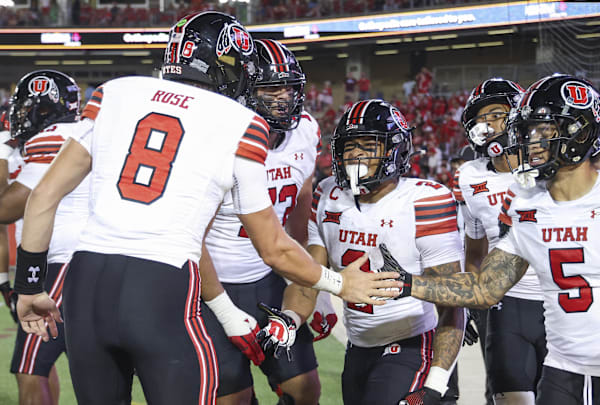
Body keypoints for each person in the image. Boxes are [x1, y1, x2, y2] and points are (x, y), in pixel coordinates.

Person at [14, 12, 400, 405]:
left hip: (86, 280)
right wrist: (337, 284)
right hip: (164, 282)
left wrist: (29, 285)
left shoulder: (115, 92)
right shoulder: (238, 122)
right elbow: (274, 247)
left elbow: (43, 196)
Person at [386, 74, 600, 405]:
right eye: (528, 131)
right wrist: (408, 284)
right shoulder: (524, 202)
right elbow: (484, 288)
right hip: (561, 373)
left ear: (581, 132)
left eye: (544, 131)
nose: (530, 142)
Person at [260, 99, 465, 405]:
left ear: (394, 150)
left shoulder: (425, 202)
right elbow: (310, 277)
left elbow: (452, 300)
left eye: (369, 145)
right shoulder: (328, 193)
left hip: (410, 344)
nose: (355, 154)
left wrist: (437, 382)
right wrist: (289, 318)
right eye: (349, 146)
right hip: (359, 348)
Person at [201, 38, 322, 405]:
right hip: (214, 284)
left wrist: (306, 287)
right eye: (271, 88)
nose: (284, 97)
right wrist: (221, 308)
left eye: (289, 86)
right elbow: (192, 237)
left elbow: (300, 209)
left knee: (305, 388)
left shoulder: (306, 130)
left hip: (268, 277)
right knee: (232, 399)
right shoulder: (216, 140)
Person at [454, 78, 546, 405]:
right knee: (503, 395)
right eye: (481, 118)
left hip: (558, 298)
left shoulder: (548, 164)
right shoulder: (469, 176)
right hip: (505, 303)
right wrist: (472, 305)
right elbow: (474, 251)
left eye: (496, 114)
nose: (488, 124)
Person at [0, 70, 87, 405]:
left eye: (25, 109)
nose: (18, 118)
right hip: (84, 260)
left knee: (30, 368)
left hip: (65, 263)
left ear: (44, 109)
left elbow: (5, 209)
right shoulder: (80, 132)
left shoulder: (55, 137)